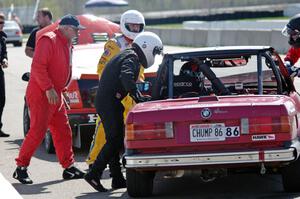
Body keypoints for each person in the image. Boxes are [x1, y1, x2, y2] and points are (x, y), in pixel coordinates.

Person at [84, 31, 163, 192]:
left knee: (114, 139)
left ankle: (117, 179)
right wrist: (137, 96)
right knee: (115, 140)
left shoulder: (129, 54)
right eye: (154, 51)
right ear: (146, 46)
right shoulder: (131, 57)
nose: (153, 56)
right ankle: (94, 173)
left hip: (110, 102)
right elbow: (126, 76)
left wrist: (136, 95)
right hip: (109, 102)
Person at [13, 14, 86, 184]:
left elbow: (63, 70)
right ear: (66, 28)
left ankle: (68, 168)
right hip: (42, 94)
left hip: (55, 93)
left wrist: (61, 91)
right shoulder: (49, 40)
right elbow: (38, 67)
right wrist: (48, 89)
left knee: (63, 130)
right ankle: (20, 168)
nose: (78, 33)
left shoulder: (66, 43)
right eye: (76, 30)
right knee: (37, 132)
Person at [86, 10, 145, 187]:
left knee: (122, 136)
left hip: (130, 96)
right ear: (124, 25)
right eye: (132, 26)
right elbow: (102, 70)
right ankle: (93, 163)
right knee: (106, 133)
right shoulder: (113, 45)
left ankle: (117, 175)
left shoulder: (141, 45)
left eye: (138, 26)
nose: (135, 29)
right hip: (115, 94)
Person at [0, 13, 9, 137]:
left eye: (2, 23)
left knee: (1, 99)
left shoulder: (2, 37)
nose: (1, 25)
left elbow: (4, 52)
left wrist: (5, 59)